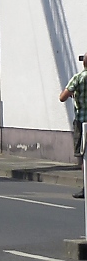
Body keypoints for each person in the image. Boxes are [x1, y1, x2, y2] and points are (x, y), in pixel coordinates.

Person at [60, 53, 87, 197]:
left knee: (83, 156)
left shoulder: (78, 78)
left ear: (84, 63)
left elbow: (62, 97)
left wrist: (74, 94)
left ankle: (86, 187)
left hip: (82, 122)